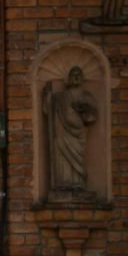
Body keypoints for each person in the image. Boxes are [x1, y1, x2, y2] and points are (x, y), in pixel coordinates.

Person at [42, 64, 97, 194]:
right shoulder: (59, 97)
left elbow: (92, 117)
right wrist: (48, 97)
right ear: (69, 78)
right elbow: (47, 111)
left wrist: (84, 109)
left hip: (78, 136)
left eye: (79, 75)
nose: (76, 77)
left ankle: (78, 184)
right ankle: (63, 184)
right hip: (61, 135)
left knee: (77, 163)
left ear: (82, 78)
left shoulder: (86, 96)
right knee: (60, 150)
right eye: (74, 75)